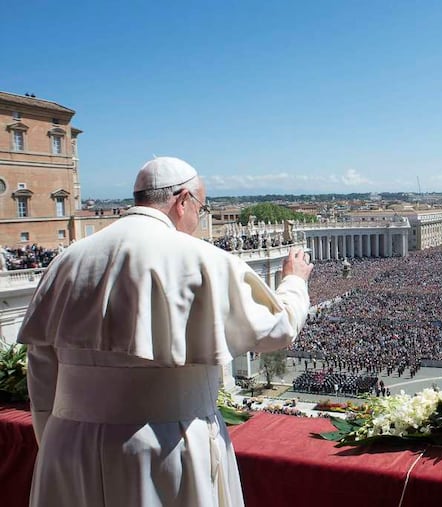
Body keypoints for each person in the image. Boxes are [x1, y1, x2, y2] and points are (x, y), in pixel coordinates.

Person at [17, 156, 313, 506]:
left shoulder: (66, 260)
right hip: (166, 446)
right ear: (182, 199)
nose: (197, 218)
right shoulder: (204, 259)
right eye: (200, 208)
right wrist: (294, 282)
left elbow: (41, 367)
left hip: (68, 446)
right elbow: (277, 330)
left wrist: (55, 437)